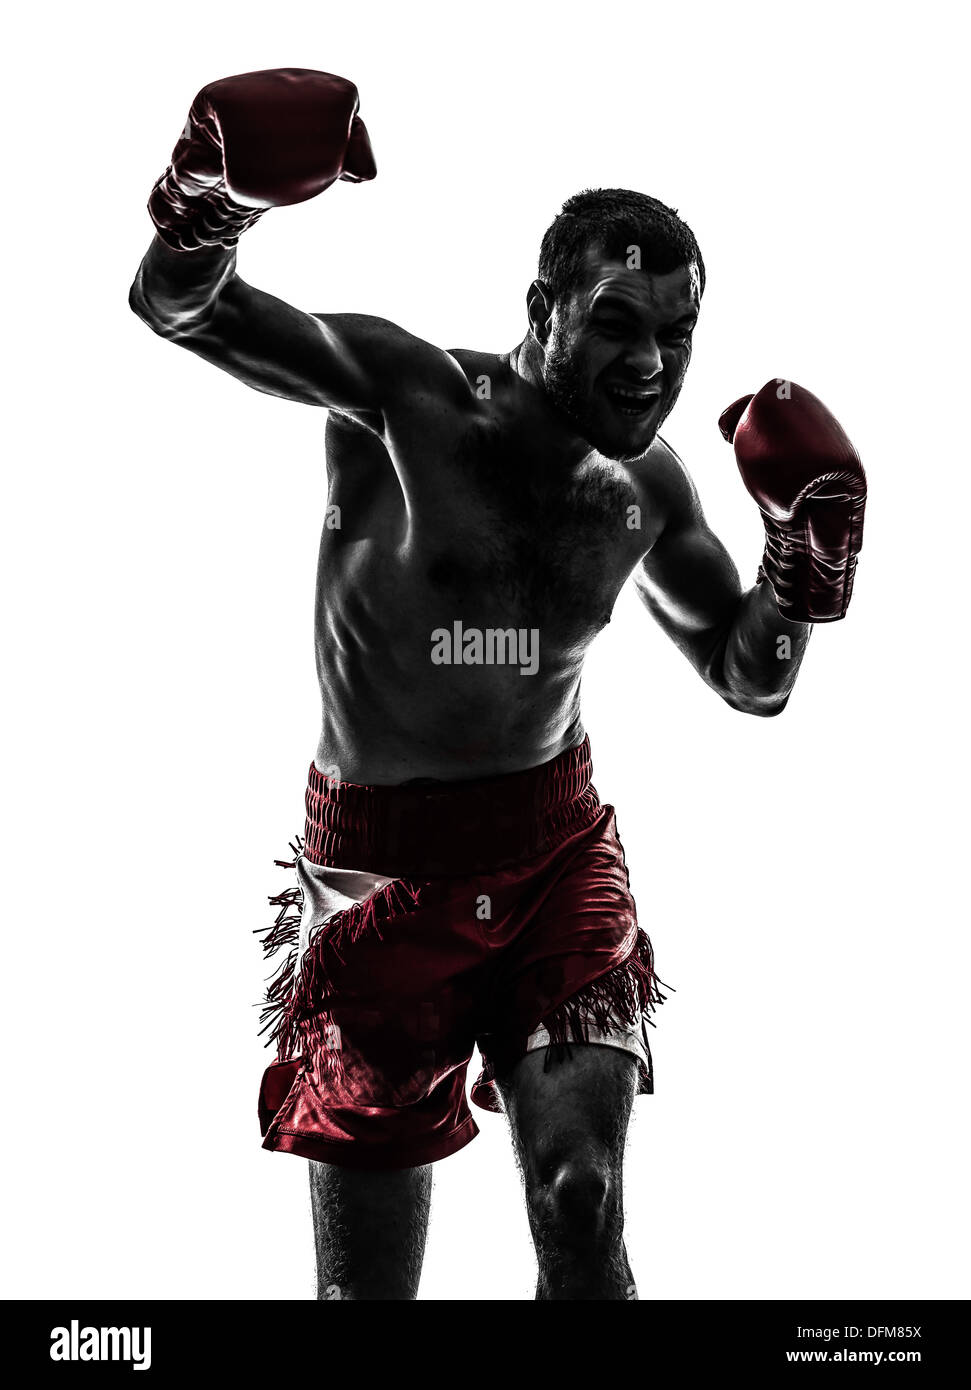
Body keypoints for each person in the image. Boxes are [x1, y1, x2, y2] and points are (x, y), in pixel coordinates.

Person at [130, 67, 866, 1301]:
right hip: (379, 871)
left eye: (676, 333)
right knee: (364, 1295)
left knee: (578, 1201)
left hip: (553, 853)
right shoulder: (404, 396)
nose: (651, 364)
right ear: (543, 306)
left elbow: (752, 680)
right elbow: (183, 309)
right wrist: (208, 200)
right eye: (618, 322)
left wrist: (803, 569)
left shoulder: (647, 491)